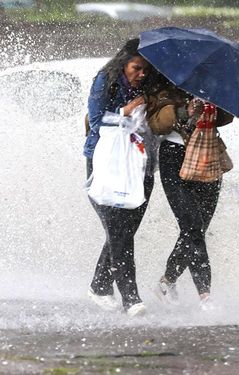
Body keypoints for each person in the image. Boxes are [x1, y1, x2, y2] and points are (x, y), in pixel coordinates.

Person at [145, 72, 233, 310]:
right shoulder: (162, 83)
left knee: (198, 228)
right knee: (192, 225)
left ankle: (166, 281)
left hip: (207, 154)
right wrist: (186, 110)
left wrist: (216, 102)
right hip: (174, 158)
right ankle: (205, 295)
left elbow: (228, 116)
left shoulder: (212, 83)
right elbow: (155, 123)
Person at [84, 38, 158, 317]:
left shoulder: (151, 88)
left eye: (146, 71)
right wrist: (124, 112)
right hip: (106, 162)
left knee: (124, 231)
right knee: (118, 231)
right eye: (136, 68)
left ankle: (100, 286)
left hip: (141, 164)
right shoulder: (106, 80)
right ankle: (131, 298)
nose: (141, 75)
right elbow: (95, 119)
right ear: (123, 63)